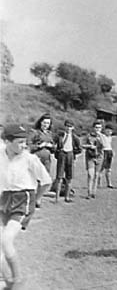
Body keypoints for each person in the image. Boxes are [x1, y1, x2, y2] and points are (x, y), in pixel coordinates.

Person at [0, 124, 52, 289]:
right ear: (7, 141)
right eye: (19, 142)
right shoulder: (1, 154)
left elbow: (46, 182)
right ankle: (8, 280)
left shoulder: (29, 158)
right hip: (4, 199)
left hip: (24, 199)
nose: (24, 146)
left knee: (6, 240)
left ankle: (17, 280)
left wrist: (36, 199)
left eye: (25, 142)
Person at [27, 113, 55, 208]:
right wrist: (39, 146)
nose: (46, 125)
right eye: (44, 123)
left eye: (48, 123)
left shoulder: (50, 134)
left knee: (44, 179)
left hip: (47, 159)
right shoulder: (34, 132)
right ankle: (32, 199)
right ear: (40, 122)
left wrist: (51, 146)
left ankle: (38, 198)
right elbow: (28, 145)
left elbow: (54, 147)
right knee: (35, 179)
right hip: (36, 158)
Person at [54, 120, 82, 203]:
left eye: (70, 126)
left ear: (73, 128)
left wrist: (73, 153)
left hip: (70, 155)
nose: (68, 128)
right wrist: (58, 152)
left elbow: (80, 148)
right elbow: (54, 144)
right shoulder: (60, 136)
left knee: (69, 177)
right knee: (59, 176)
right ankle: (57, 198)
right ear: (64, 126)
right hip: (62, 155)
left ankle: (67, 197)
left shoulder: (75, 137)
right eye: (67, 126)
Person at [81, 121, 104, 199]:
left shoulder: (102, 136)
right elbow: (82, 145)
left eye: (99, 127)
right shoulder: (88, 136)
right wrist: (90, 146)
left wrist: (100, 141)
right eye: (96, 127)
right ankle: (89, 192)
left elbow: (106, 146)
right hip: (90, 157)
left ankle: (94, 192)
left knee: (96, 175)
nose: (97, 129)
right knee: (90, 175)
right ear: (93, 128)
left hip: (99, 157)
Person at [98, 124, 117, 189]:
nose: (109, 132)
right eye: (107, 131)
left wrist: (112, 152)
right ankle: (98, 184)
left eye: (110, 131)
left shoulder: (110, 137)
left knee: (108, 169)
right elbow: (98, 133)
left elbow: (111, 145)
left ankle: (109, 183)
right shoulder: (102, 136)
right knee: (101, 169)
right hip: (104, 152)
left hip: (109, 152)